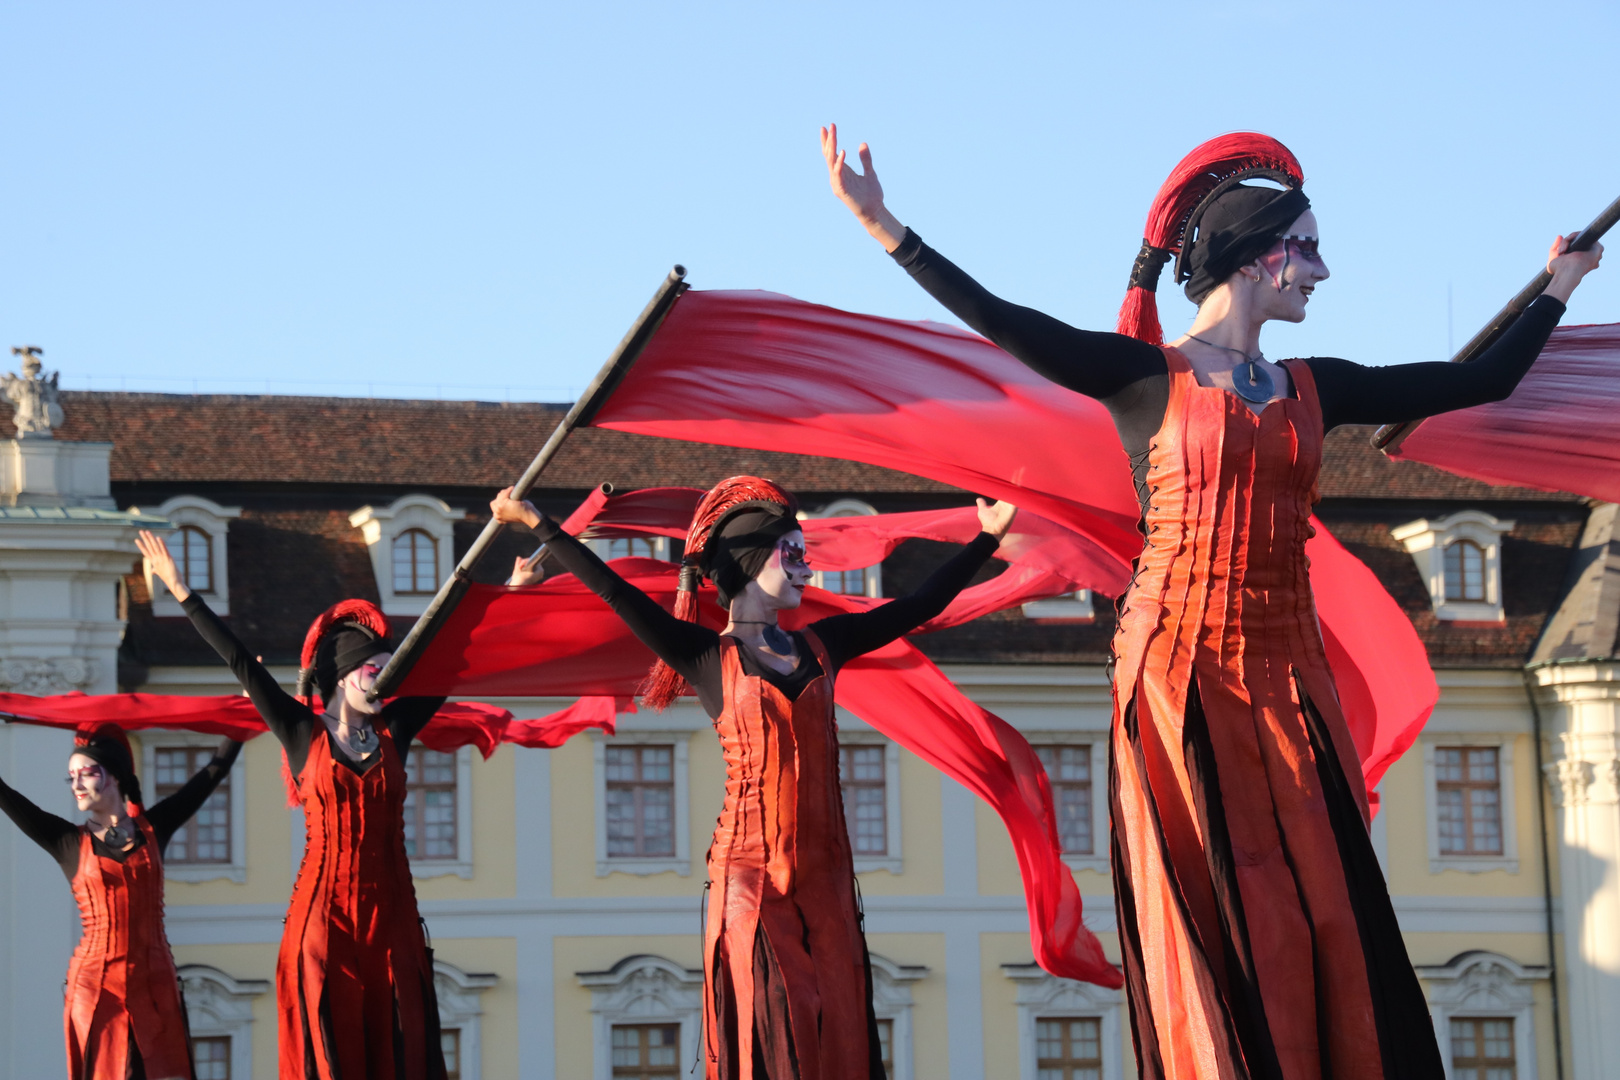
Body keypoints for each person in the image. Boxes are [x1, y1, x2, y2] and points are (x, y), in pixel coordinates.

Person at [821, 125, 1603, 1080]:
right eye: (1306, 247)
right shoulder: (1146, 378)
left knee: (1323, 896)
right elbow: (1006, 321)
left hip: (1287, 672)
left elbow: (1479, 380)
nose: (1321, 269)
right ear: (1254, 256)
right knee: (1231, 898)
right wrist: (886, 228)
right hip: (1179, 675)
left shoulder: (1316, 386)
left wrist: (1562, 277)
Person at [490, 477, 1016, 1080]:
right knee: (776, 1023)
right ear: (750, 559)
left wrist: (986, 537)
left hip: (827, 875)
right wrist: (535, 522)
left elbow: (917, 607)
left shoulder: (825, 645)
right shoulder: (707, 656)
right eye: (794, 554)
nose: (806, 570)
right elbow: (615, 592)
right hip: (749, 872)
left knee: (836, 1026)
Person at [135, 530, 449, 1080]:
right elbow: (240, 662)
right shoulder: (303, 732)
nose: (387, 678)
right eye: (378, 668)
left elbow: (450, 658)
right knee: (331, 1050)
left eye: (392, 668)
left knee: (400, 1047)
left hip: (393, 914)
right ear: (348, 674)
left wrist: (513, 587)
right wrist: (180, 589)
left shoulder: (396, 730)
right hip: (322, 915)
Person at [0, 721, 241, 1080]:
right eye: (71, 777)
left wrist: (241, 714)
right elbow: (7, 795)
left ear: (113, 776)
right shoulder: (67, 841)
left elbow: (210, 774)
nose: (77, 784)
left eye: (86, 773)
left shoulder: (154, 827)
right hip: (96, 991)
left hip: (156, 985)